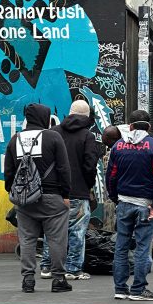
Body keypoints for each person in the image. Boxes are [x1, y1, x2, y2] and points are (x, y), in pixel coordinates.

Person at [5, 103, 72, 294]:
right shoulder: (53, 137)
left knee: (27, 239)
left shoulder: (15, 140)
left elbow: (8, 173)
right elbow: (63, 169)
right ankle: (58, 279)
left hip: (25, 201)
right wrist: (66, 194)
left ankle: (28, 280)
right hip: (52, 197)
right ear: (45, 118)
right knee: (57, 239)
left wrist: (15, 193)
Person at [105, 109, 153, 301]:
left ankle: (120, 288)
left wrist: (115, 198)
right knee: (142, 248)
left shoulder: (118, 146)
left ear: (130, 126)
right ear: (148, 126)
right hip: (145, 205)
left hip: (124, 202)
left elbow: (111, 176)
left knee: (121, 246)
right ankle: (138, 289)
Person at [38, 100, 102, 281]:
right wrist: (87, 185)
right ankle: (73, 268)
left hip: (52, 191)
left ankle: (47, 266)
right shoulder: (87, 136)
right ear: (87, 117)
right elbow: (90, 165)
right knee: (76, 230)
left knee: (53, 229)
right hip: (78, 191)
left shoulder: (51, 133)